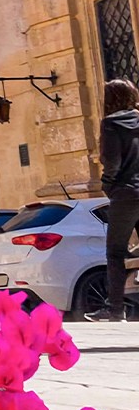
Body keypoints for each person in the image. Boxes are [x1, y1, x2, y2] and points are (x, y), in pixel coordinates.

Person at [87, 78, 139, 321]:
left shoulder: (111, 123)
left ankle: (115, 309)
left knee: (116, 252)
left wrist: (108, 185)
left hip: (126, 194)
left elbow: (112, 163)